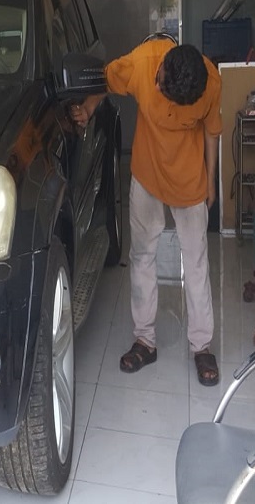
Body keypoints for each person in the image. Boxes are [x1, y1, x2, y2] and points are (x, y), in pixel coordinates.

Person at [71, 39, 222, 386]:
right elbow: (106, 81)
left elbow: (212, 132)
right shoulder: (143, 62)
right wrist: (89, 107)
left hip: (189, 182)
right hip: (147, 176)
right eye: (159, 78)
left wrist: (211, 182)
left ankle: (201, 346)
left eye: (162, 88)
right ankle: (144, 341)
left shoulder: (211, 83)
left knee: (196, 262)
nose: (155, 85)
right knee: (141, 256)